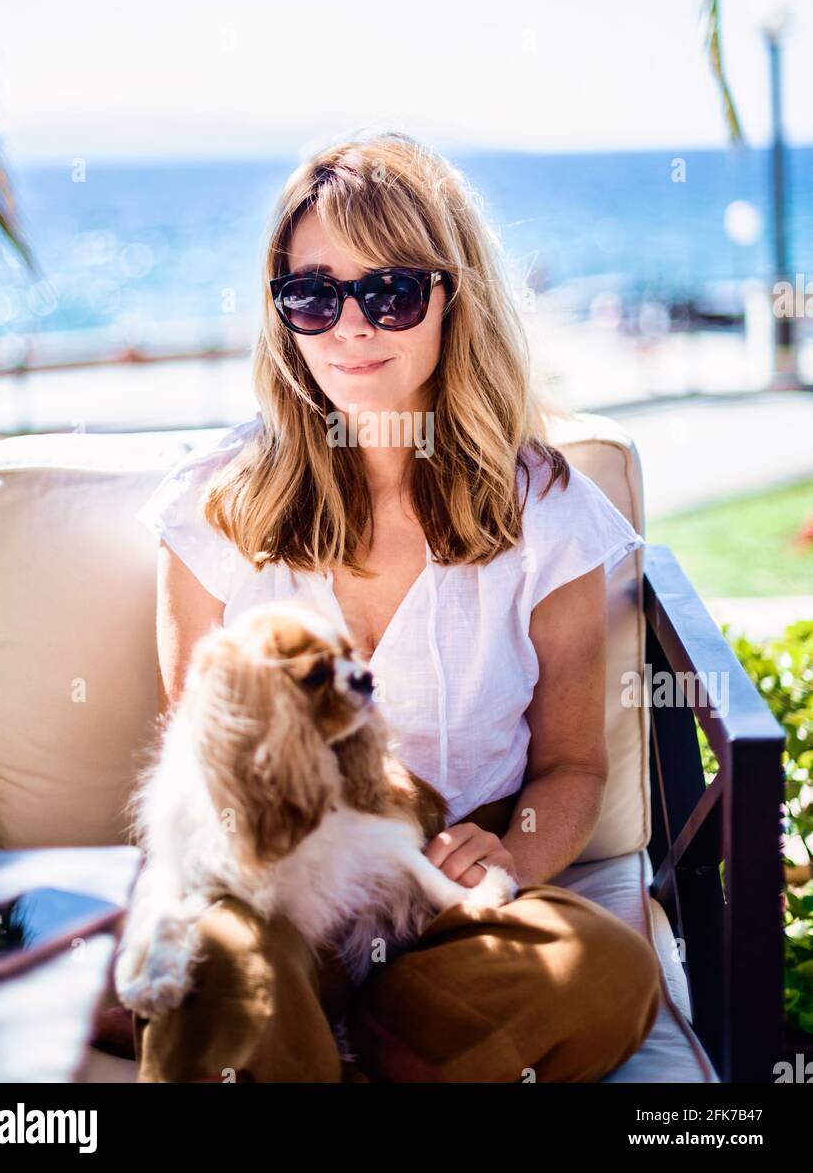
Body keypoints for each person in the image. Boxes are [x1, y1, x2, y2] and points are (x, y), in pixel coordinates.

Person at [129, 130, 662, 1082]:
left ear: (456, 300)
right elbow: (205, 759)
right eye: (311, 294)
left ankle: (353, 1046)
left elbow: (573, 765)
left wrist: (508, 855)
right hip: (275, 880)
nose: (349, 325)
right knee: (222, 961)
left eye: (390, 291)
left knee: (607, 969)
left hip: (444, 903)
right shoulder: (213, 505)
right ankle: (316, 1037)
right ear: (279, 310)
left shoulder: (548, 515)